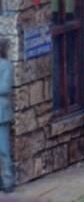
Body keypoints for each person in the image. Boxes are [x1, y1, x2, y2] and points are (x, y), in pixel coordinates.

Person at [0, 38, 14, 192]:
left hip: (1, 114)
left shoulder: (6, 66)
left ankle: (8, 180)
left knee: (3, 150)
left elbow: (5, 88)